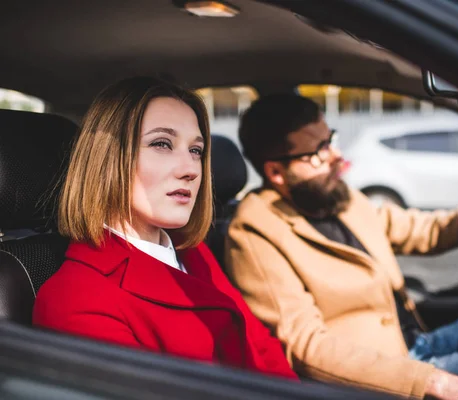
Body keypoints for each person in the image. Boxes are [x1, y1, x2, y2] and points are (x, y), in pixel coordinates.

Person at [224, 94, 458, 399]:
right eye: (319, 150)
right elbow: (307, 347)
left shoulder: (338, 199)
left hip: (417, 342)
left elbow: (426, 229)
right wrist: (432, 382)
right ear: (276, 172)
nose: (336, 155)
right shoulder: (255, 233)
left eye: (331, 138)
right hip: (388, 378)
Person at [33, 77, 297, 380]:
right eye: (162, 144)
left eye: (196, 150)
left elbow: (260, 346)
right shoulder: (75, 298)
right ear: (107, 159)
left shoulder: (191, 250)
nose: (190, 169)